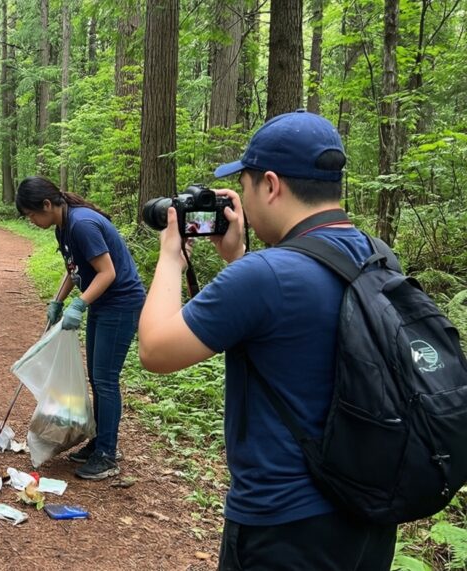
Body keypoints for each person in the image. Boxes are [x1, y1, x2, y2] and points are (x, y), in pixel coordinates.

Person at [137, 110, 397, 570]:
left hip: (283, 524)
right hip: (367, 515)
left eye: (247, 184)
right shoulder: (377, 255)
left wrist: (172, 258)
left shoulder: (266, 275)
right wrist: (237, 256)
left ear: (271, 185)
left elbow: (155, 350)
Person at [15, 176, 147, 480]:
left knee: (105, 379)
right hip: (102, 303)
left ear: (47, 205)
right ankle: (99, 443)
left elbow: (107, 272)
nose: (32, 221)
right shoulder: (62, 227)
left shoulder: (82, 224)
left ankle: (107, 455)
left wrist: (80, 304)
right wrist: (58, 301)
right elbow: (73, 269)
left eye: (32, 214)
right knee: (96, 377)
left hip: (121, 304)